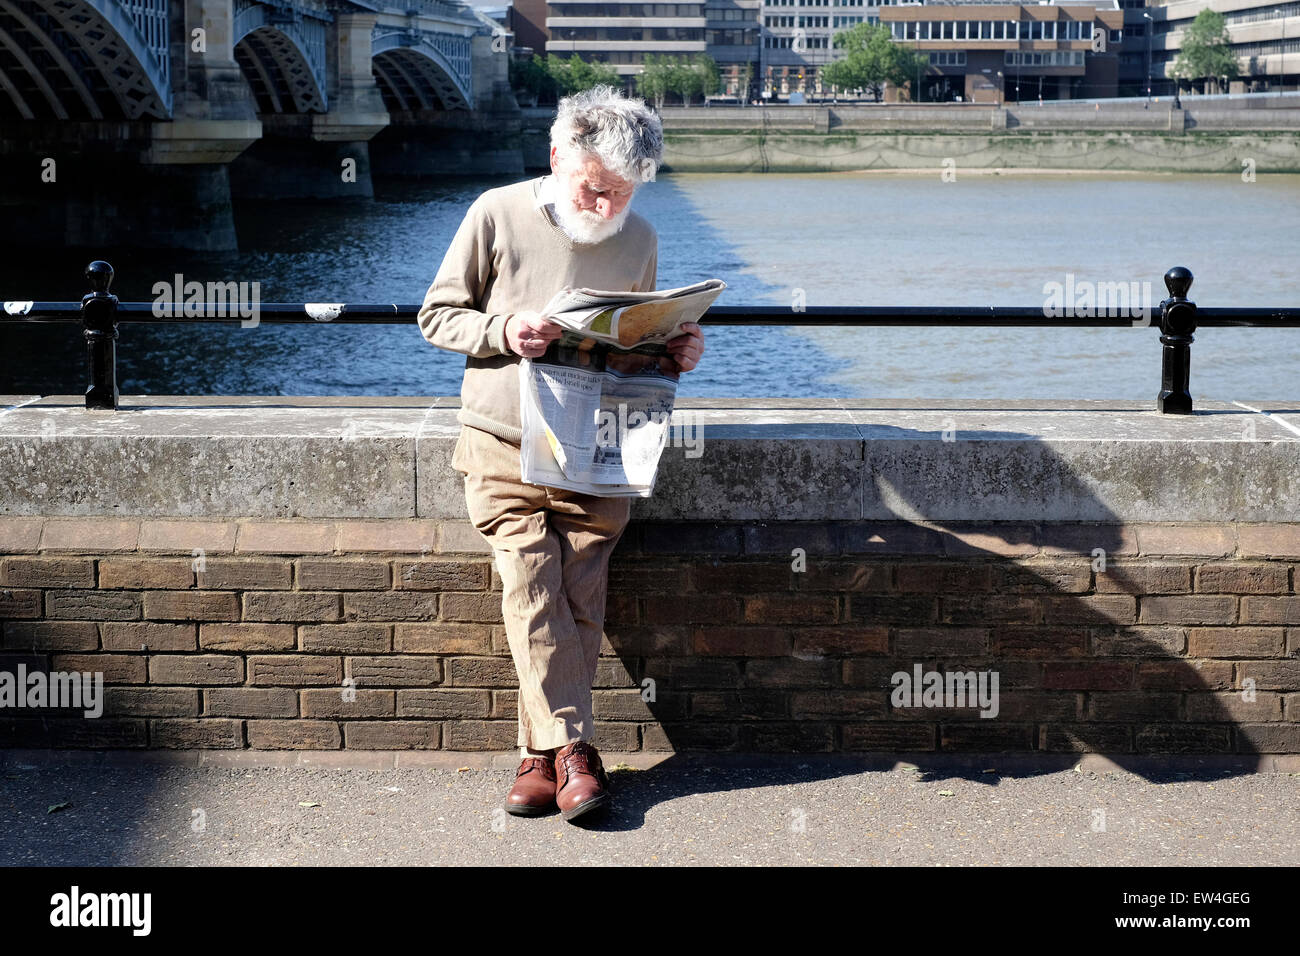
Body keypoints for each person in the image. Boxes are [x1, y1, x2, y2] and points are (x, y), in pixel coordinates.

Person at [416, 85, 705, 823]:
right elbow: (437, 316)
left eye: (625, 194)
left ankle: (538, 759)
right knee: (532, 582)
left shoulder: (639, 238)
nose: (610, 208)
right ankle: (578, 751)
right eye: (597, 188)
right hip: (501, 442)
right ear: (557, 156)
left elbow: (632, 346)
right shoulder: (495, 212)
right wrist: (506, 329)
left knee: (574, 600)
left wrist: (674, 350)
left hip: (596, 450)